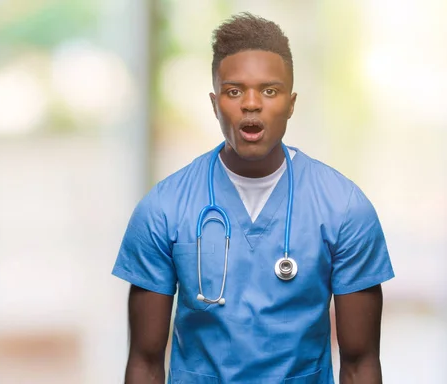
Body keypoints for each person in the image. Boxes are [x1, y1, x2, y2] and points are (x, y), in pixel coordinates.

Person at [112, 12, 394, 384]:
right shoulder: (163, 209)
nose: (251, 104)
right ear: (215, 104)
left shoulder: (345, 209)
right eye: (234, 91)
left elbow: (360, 364)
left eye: (269, 90)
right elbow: (144, 363)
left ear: (291, 104)